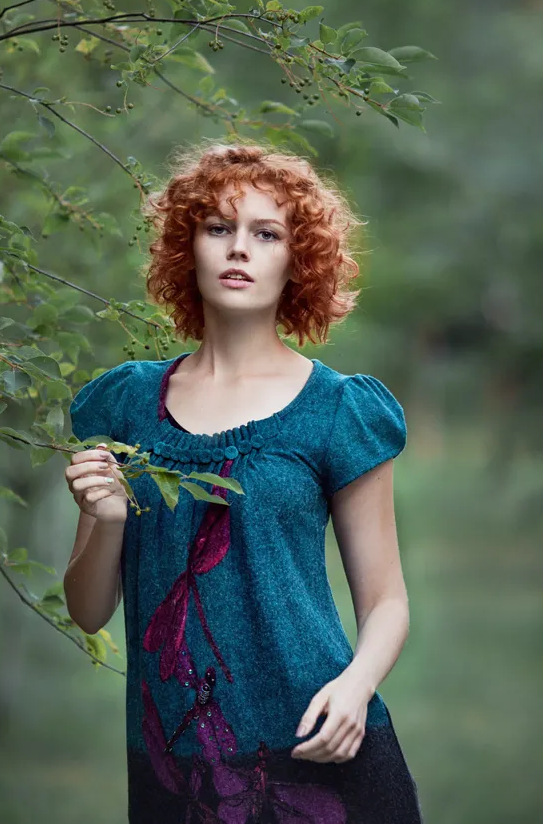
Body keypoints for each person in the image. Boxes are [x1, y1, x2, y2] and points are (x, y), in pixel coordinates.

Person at [62, 143, 423, 823]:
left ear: (298, 260)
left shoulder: (339, 412)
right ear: (186, 246)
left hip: (319, 740)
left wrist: (355, 687)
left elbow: (388, 602)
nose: (239, 250)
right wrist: (108, 518)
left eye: (266, 234)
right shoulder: (127, 406)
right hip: (178, 762)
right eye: (218, 228)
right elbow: (87, 611)